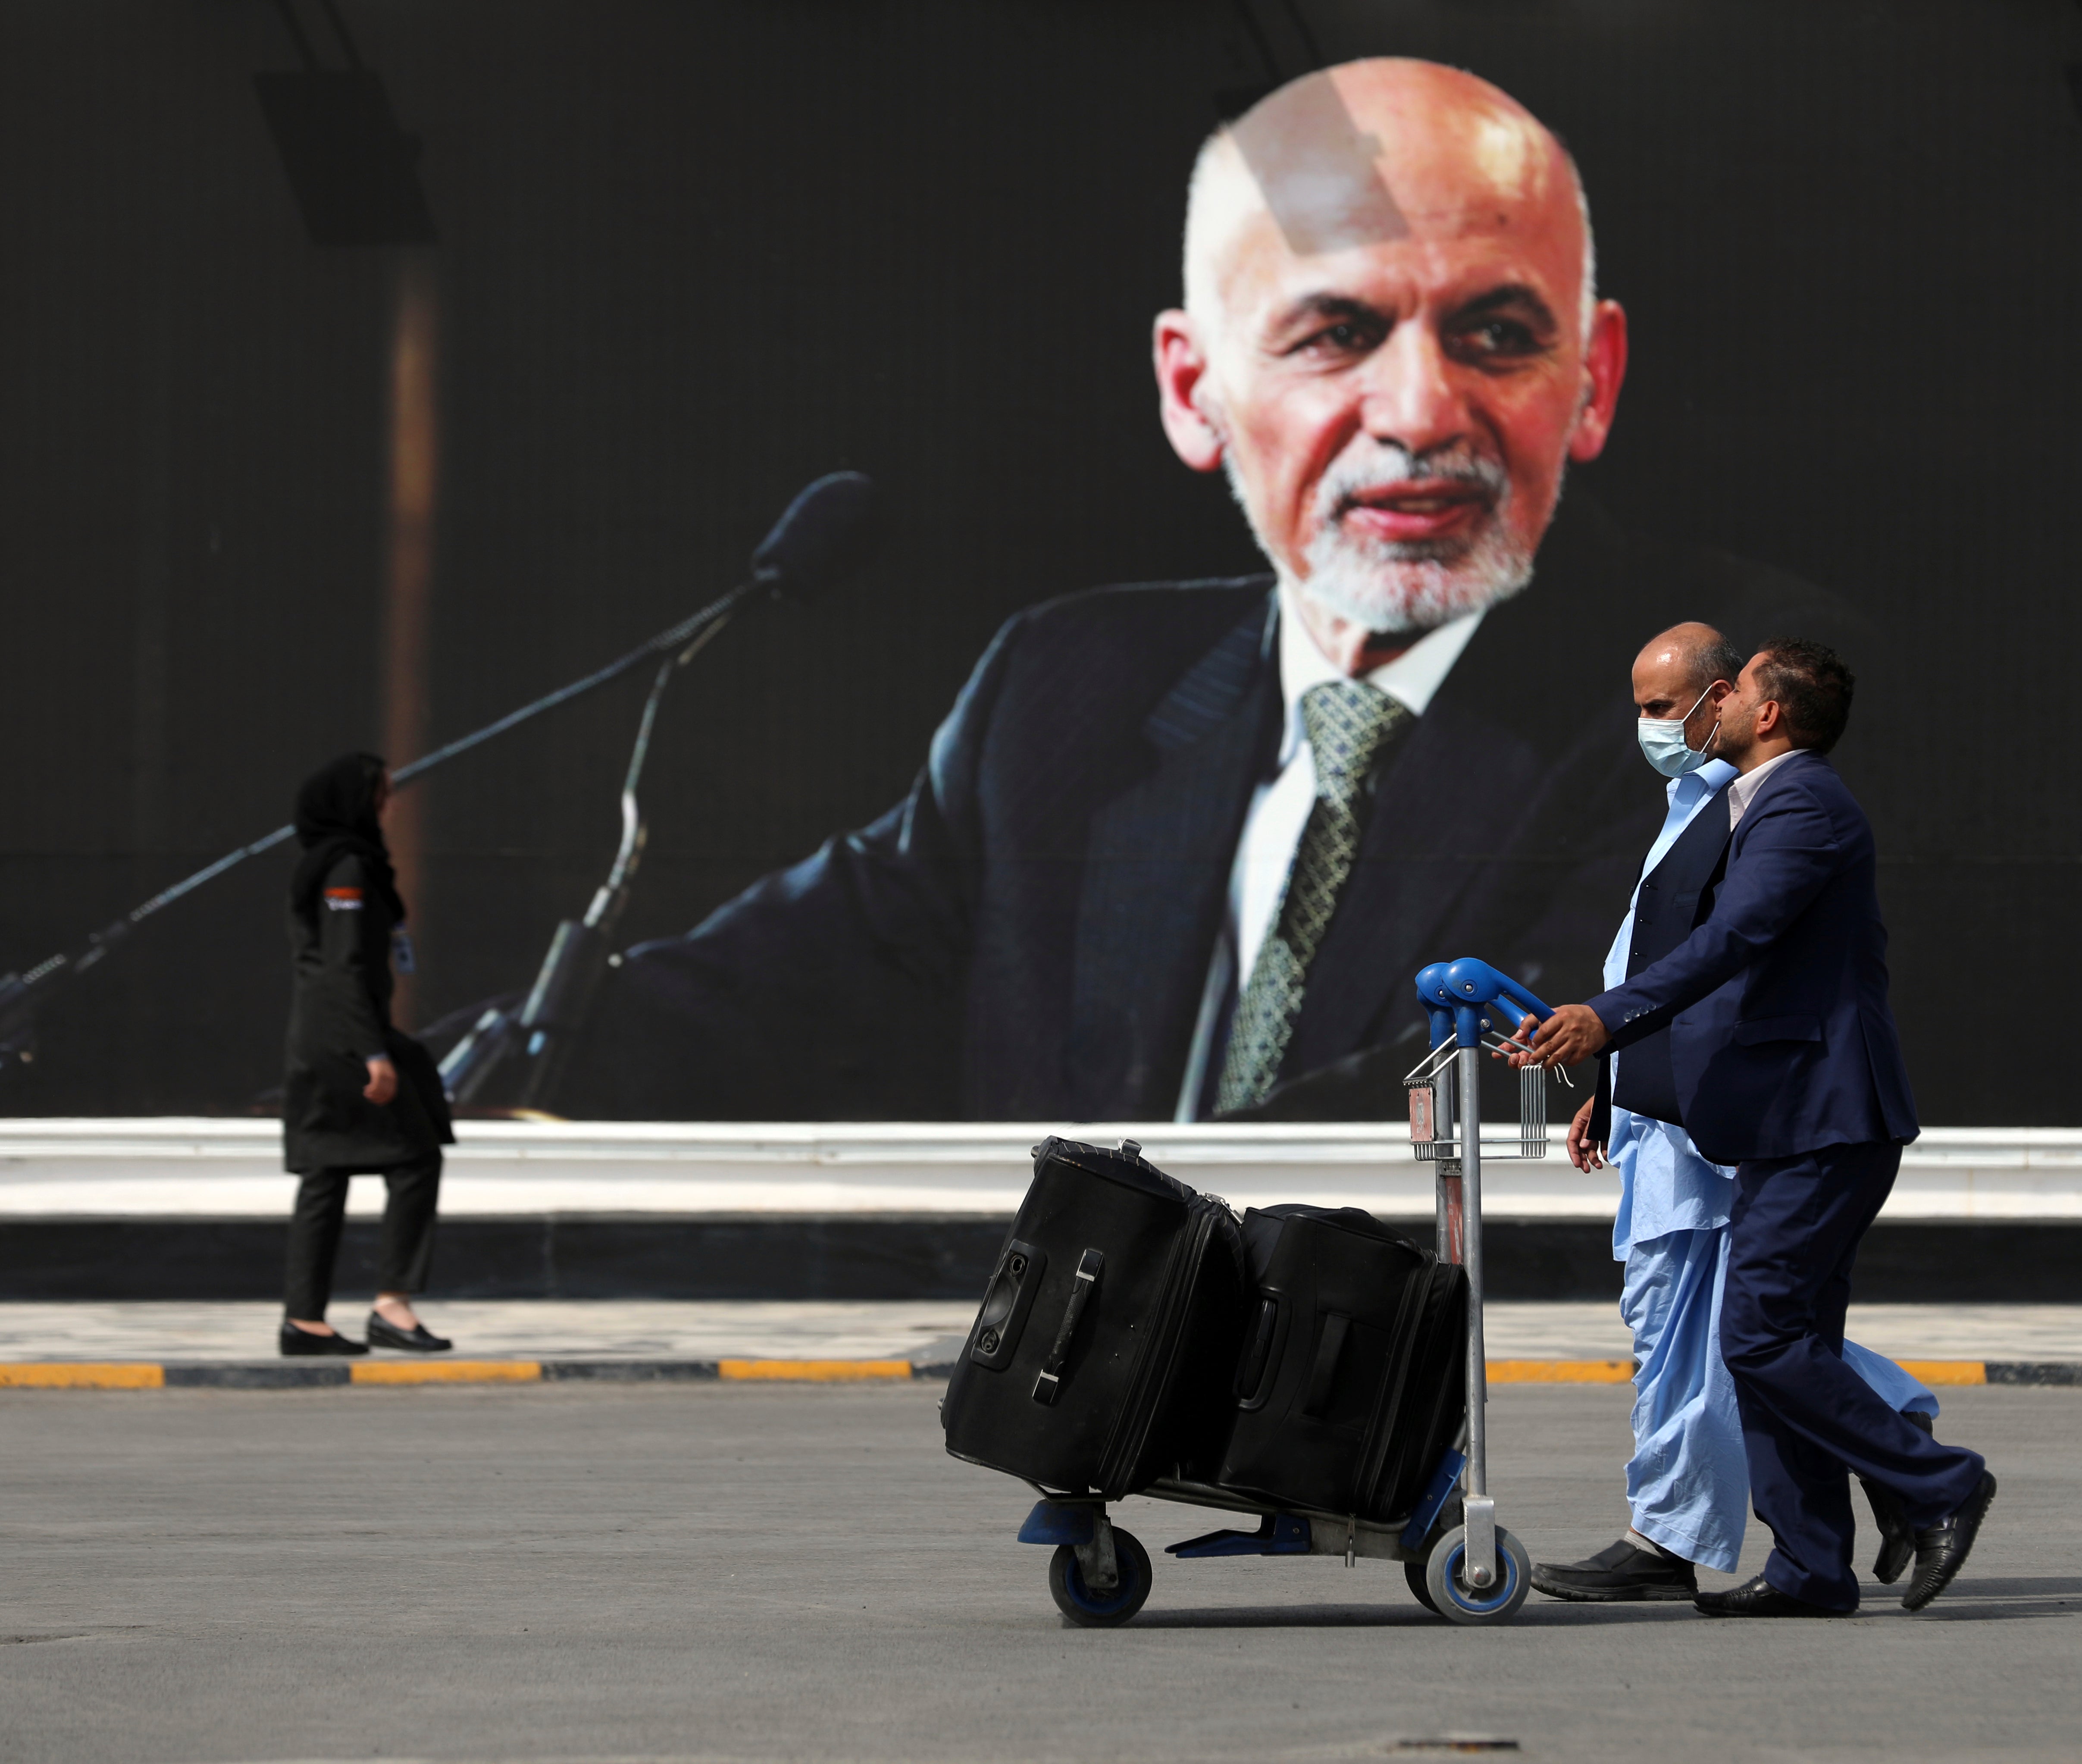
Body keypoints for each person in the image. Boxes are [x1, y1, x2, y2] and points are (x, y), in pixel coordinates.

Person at [545, 58, 1862, 1125]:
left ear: (1594, 381)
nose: (1416, 411)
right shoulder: (1059, 689)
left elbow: (1536, 1055)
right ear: (1194, 389)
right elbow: (745, 998)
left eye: (1498, 335)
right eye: (1337, 333)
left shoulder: (1707, 692)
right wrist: (409, 1086)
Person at [1512, 640, 1995, 1617]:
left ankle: (1937, 1482)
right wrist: (1620, 1078)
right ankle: (1810, 1568)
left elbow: (1732, 939)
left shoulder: (1800, 804)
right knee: (1775, 1341)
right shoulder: (1748, 804)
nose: (1713, 705)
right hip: (1779, 1120)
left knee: (1759, 1335)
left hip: (1825, 1116)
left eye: (1731, 693)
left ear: (1766, 714)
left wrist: (1605, 1020)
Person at [279, 753, 456, 1357]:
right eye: (384, 792)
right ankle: (392, 1306)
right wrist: (374, 1053)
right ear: (357, 801)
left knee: (326, 1172)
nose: (394, 802)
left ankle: (304, 1321)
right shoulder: (346, 867)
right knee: (416, 1158)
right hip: (345, 1039)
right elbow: (345, 966)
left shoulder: (335, 863)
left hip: (323, 1033)